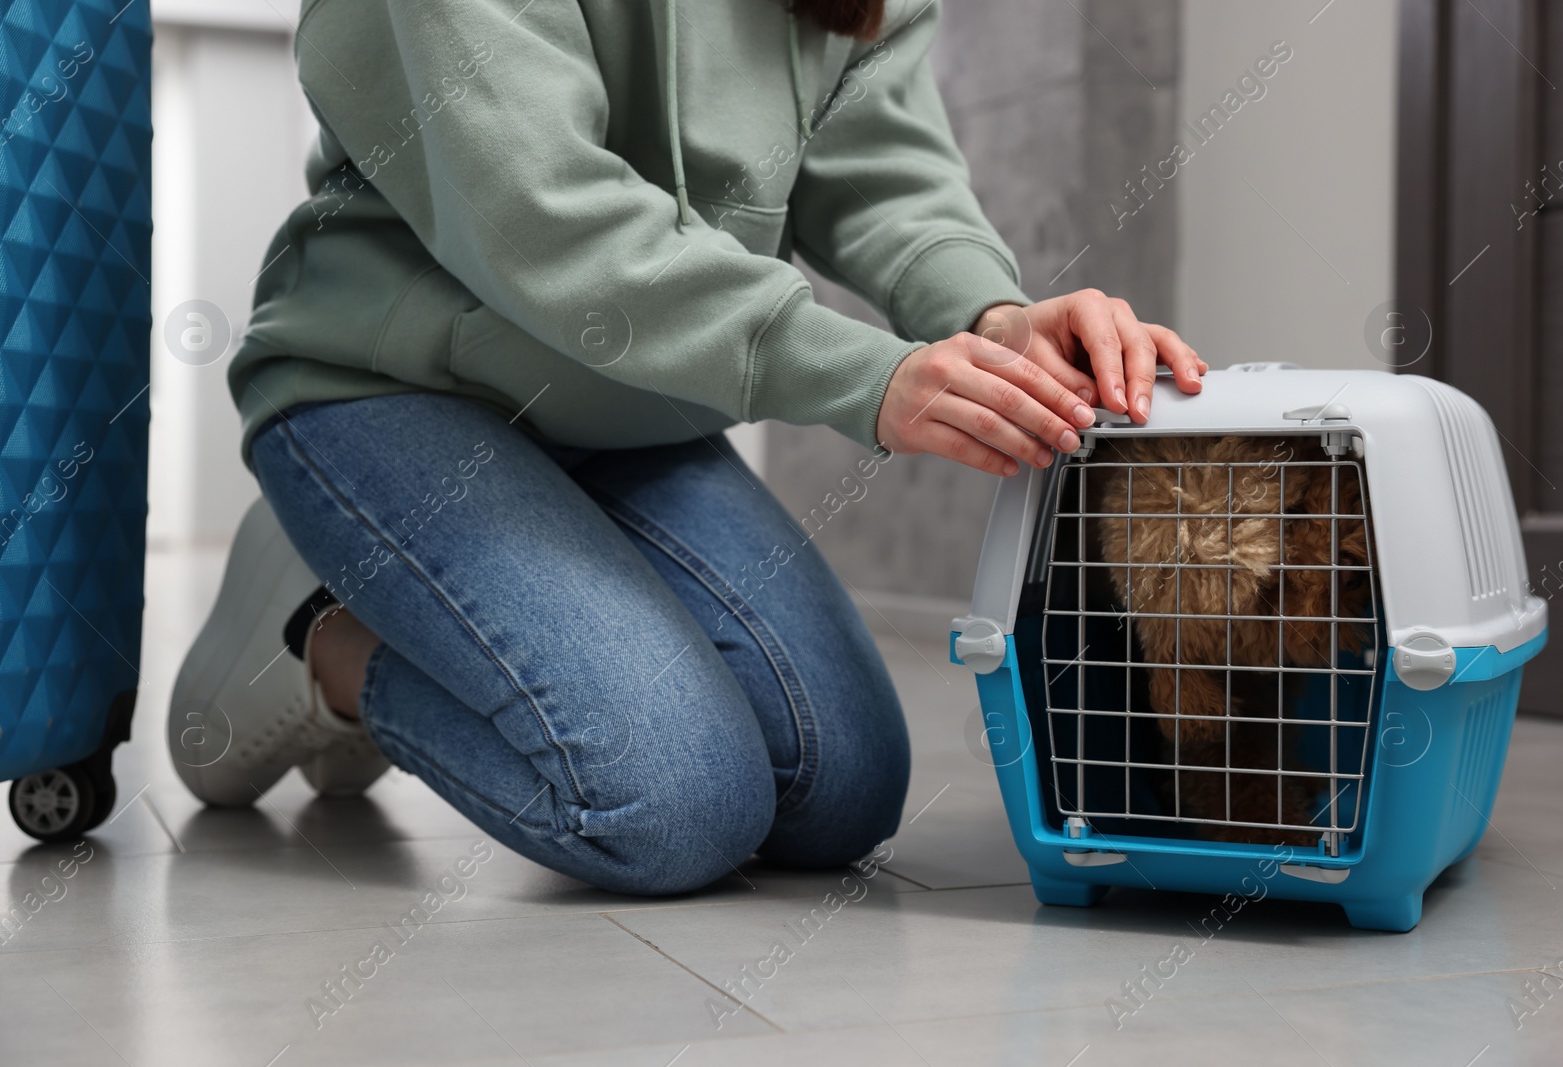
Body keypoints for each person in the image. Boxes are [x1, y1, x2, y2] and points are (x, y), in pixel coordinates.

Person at [168, 0, 1204, 895]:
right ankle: (322, 636)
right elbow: (545, 217)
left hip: (630, 416)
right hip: (389, 388)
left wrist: (990, 315)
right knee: (667, 805)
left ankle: (415, 597)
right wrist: (862, 375)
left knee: (841, 790)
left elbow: (882, 175)